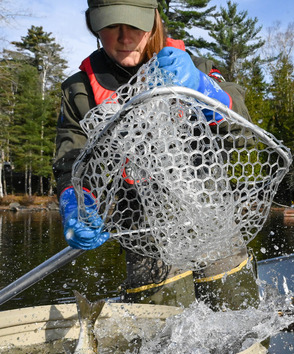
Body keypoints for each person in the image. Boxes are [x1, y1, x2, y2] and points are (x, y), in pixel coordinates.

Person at [53, 0, 256, 309]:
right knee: (161, 339)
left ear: (154, 21)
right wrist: (75, 202)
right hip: (144, 234)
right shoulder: (79, 91)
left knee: (241, 318)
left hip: (213, 221)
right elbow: (71, 159)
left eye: (134, 24)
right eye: (111, 25)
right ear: (93, 24)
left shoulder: (193, 67)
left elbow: (245, 135)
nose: (124, 37)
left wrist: (203, 88)